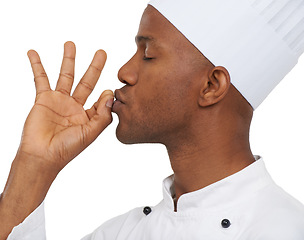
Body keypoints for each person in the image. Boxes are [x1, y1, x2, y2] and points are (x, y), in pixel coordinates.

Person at [1, 0, 304, 239]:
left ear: (211, 86)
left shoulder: (282, 230)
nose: (124, 72)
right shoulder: (120, 234)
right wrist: (34, 164)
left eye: (147, 54)